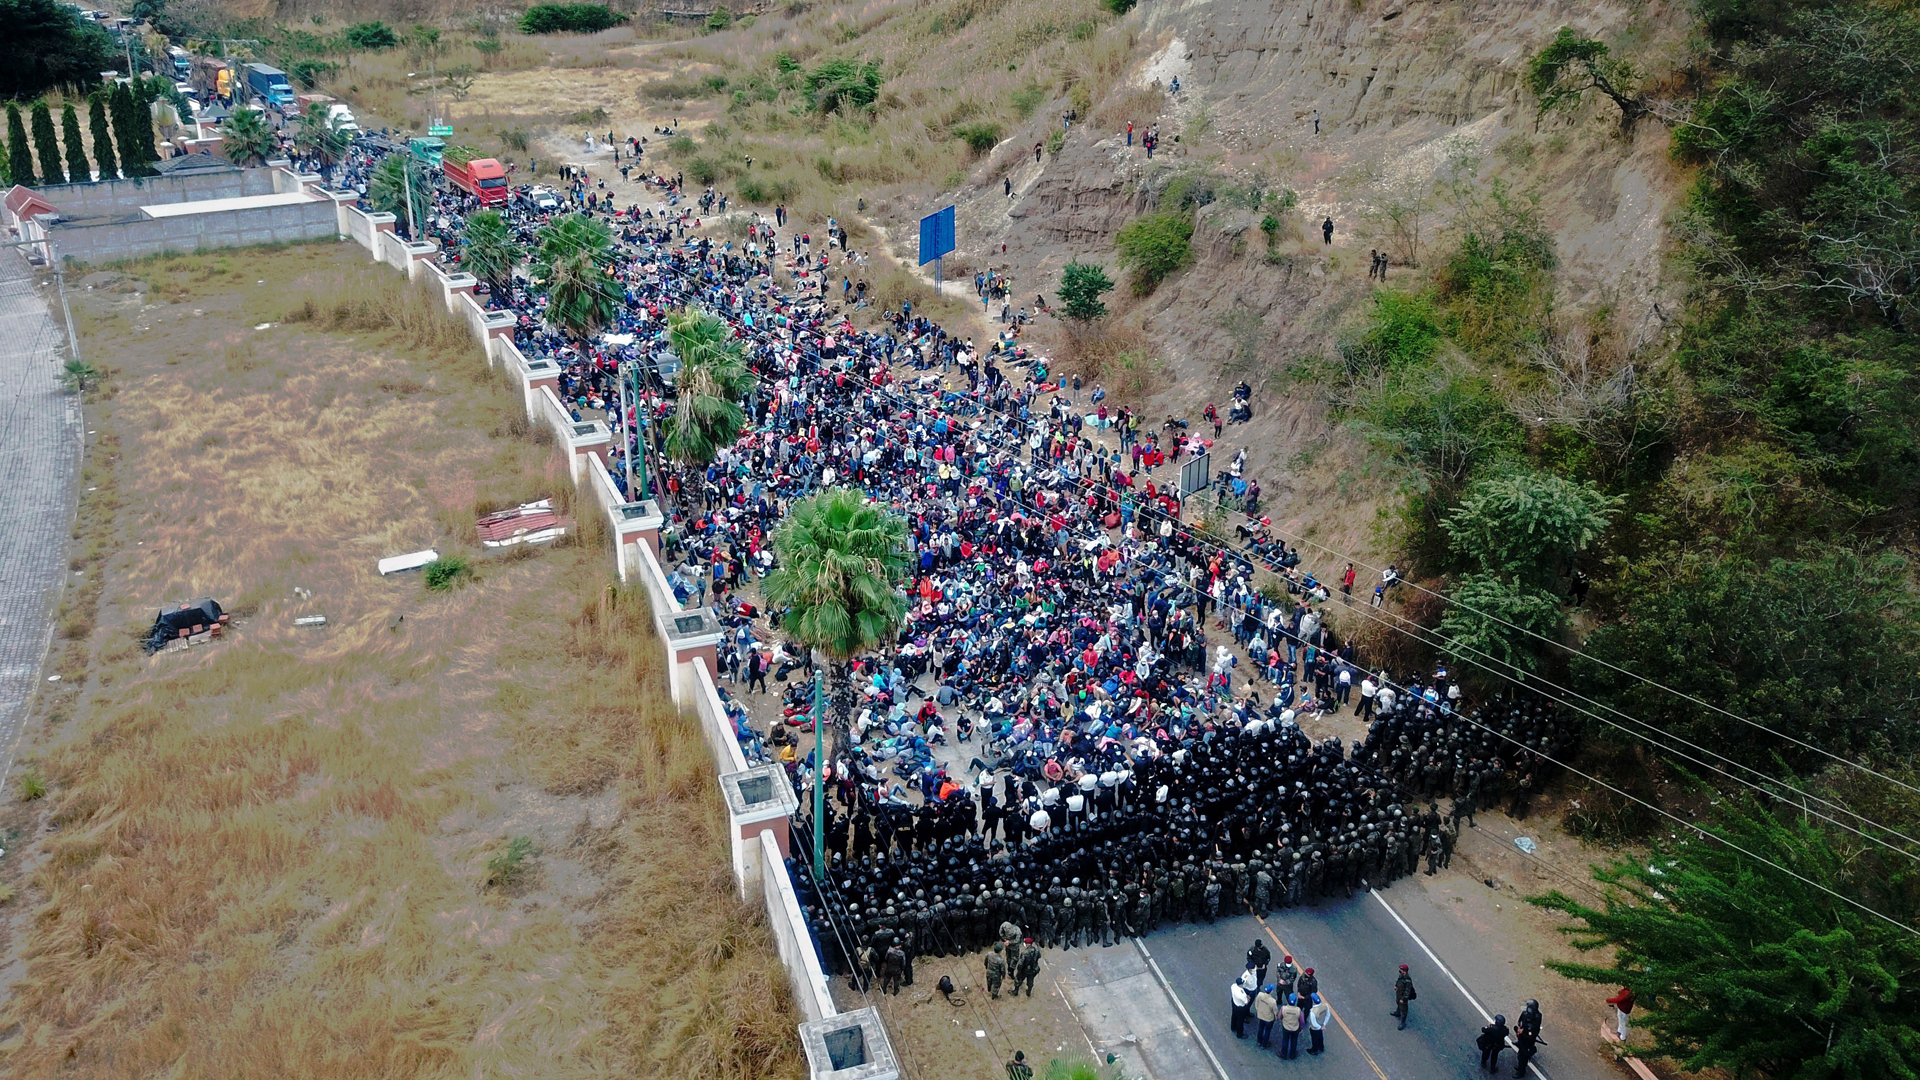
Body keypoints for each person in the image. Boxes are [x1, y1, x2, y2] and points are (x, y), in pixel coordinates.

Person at [1278, 993, 1303, 1059]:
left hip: (1286, 1027)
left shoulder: (1284, 1008)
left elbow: (1280, 1016)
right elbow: (1302, 1021)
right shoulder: (1298, 1010)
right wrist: (1301, 1028)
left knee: (1285, 1040)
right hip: (1295, 1028)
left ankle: (1283, 1054)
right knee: (1294, 1041)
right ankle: (1292, 1055)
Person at [1230, 972, 1253, 1038]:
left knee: (1234, 1016)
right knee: (1240, 1020)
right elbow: (1246, 1002)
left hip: (1234, 1003)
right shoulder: (1241, 993)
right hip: (1240, 1007)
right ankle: (1239, 1034)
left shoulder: (1233, 986)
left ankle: (1233, 1027)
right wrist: (1248, 998)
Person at [1392, 964, 1416, 1029]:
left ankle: (1403, 1022)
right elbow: (1398, 981)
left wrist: (1403, 999)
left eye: (1401, 970)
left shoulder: (1408, 980)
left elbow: (1407, 991)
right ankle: (1397, 1012)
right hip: (1399, 992)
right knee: (1398, 1002)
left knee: (1404, 1009)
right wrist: (1396, 986)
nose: (1400, 970)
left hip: (1403, 996)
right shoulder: (1401, 976)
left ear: (1404, 971)